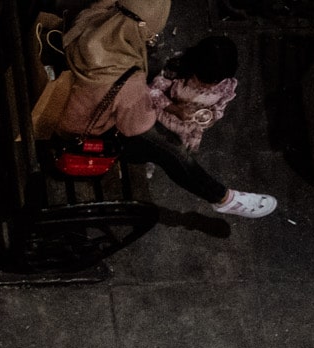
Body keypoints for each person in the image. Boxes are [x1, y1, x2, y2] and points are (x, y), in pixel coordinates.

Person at [52, 0, 275, 218]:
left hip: (63, 99)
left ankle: (223, 197)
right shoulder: (127, 81)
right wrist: (169, 109)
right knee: (167, 151)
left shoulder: (98, 12)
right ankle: (223, 198)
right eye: (152, 34)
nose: (153, 38)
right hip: (81, 129)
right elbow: (135, 126)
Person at [150, 36, 239, 152]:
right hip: (166, 115)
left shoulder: (226, 84)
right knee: (158, 141)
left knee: (183, 148)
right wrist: (174, 109)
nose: (206, 87)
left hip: (192, 125)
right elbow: (152, 91)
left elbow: (220, 107)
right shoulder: (176, 71)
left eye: (214, 82)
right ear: (193, 67)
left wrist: (213, 116)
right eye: (201, 80)